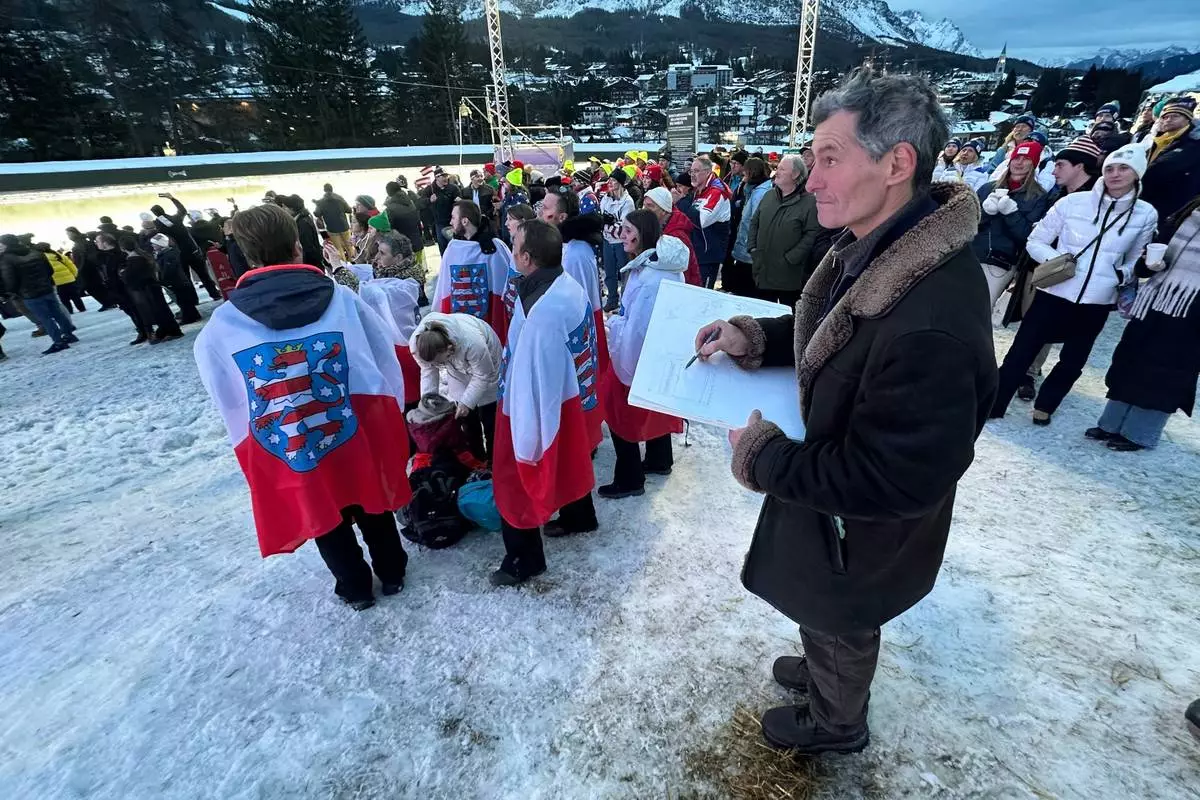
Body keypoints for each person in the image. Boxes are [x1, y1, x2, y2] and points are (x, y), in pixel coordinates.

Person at [692, 68, 997, 755]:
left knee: (841, 617)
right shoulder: (876, 247)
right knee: (821, 607)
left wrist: (767, 458)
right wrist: (758, 337)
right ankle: (827, 663)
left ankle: (836, 722)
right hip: (830, 503)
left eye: (830, 157)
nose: (813, 175)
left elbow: (895, 479)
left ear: (897, 163)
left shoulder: (933, 318)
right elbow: (838, 334)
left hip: (858, 528)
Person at [194, 203, 412, 612]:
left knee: (322, 506)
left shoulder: (224, 324)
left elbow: (225, 391)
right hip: (351, 425)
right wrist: (392, 411)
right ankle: (393, 569)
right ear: (298, 245)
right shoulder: (341, 300)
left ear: (246, 253)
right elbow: (383, 356)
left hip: (294, 434)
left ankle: (354, 585)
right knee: (369, 493)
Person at [990, 143, 1158, 425]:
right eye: (1111, 168)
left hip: (1098, 299)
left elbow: (1134, 259)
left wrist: (1122, 275)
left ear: (1137, 173)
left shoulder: (1145, 214)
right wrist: (1059, 261)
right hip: (1055, 291)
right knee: (1022, 350)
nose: (1116, 174)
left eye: (1124, 168)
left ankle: (1046, 405)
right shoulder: (1071, 203)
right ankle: (996, 403)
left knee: (1073, 360)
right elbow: (1036, 240)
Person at [490, 219, 601, 586]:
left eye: (515, 244)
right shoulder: (566, 284)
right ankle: (579, 515)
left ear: (525, 259)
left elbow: (529, 388)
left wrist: (524, 449)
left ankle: (524, 559)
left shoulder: (543, 315)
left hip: (537, 406)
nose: (511, 245)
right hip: (571, 401)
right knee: (572, 456)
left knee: (512, 480)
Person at [1086, 195, 1200, 451]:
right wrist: (1149, 264)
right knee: (1130, 360)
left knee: (1167, 373)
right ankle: (1111, 423)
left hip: (1191, 310)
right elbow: (1151, 259)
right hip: (1155, 300)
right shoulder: (1188, 210)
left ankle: (1139, 433)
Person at [1005, 136, 1104, 400]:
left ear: (1079, 166)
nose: (1053, 170)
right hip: (1042, 267)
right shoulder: (1059, 194)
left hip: (1071, 279)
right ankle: (1016, 372)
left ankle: (1029, 372)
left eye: (1060, 164)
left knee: (1048, 326)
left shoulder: (1097, 200)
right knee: (1031, 321)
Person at [599, 211, 687, 498]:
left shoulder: (650, 278)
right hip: (660, 353)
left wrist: (614, 327)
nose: (622, 235)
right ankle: (660, 459)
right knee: (656, 405)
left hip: (639, 355)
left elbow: (637, 330)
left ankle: (630, 478)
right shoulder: (659, 267)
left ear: (643, 234)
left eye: (628, 230)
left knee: (618, 411)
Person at [409, 313, 502, 462]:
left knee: (489, 417)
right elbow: (428, 370)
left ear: (449, 349)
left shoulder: (473, 343)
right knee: (466, 418)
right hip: (456, 368)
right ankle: (477, 459)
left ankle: (493, 460)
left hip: (487, 363)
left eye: (440, 362)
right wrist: (428, 404)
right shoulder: (418, 346)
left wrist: (467, 402)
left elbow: (483, 375)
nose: (438, 366)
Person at [973, 139, 1050, 305]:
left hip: (1001, 262)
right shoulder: (987, 188)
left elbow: (1027, 237)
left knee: (981, 308)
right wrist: (985, 213)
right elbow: (968, 225)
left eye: (1026, 159)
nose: (1019, 163)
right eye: (1016, 158)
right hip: (972, 256)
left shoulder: (1039, 196)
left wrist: (1011, 213)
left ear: (1034, 164)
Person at [358, 232, 424, 411]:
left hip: (404, 351)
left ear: (398, 258)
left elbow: (363, 292)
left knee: (409, 401)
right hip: (399, 348)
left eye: (383, 253)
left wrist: (338, 269)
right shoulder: (390, 274)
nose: (377, 257)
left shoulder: (404, 284)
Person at [748, 154, 825, 307]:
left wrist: (791, 258)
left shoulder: (810, 202)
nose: (777, 172)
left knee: (787, 318)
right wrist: (752, 247)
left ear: (796, 175)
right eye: (777, 168)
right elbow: (755, 221)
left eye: (782, 169)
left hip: (789, 275)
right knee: (761, 314)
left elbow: (812, 233)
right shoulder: (769, 195)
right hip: (763, 269)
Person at [431, 201, 511, 341]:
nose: (450, 221)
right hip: (460, 324)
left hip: (489, 325)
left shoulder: (494, 248)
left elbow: (505, 285)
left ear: (465, 221)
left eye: (453, 217)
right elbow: (445, 285)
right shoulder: (452, 249)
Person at [0, 234, 78, 354]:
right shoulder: (34, 251)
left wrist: (10, 292)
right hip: (46, 288)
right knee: (57, 312)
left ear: (5, 244)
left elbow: (10, 279)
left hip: (28, 293)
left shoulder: (6, 258)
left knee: (45, 318)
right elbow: (49, 270)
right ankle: (69, 335)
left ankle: (58, 342)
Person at [1140, 97, 1200, 224]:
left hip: (1171, 208)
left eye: (1175, 116)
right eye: (1165, 117)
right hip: (1145, 201)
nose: (1168, 120)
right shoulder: (1156, 140)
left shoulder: (1194, 145)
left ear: (1188, 119)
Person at [152, 193, 221, 300]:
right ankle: (214, 294)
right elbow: (182, 210)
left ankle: (193, 299)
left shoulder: (158, 224)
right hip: (192, 250)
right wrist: (172, 199)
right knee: (204, 275)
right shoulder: (176, 219)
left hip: (178, 254)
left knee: (186, 278)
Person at [117, 235, 183, 344]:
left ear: (123, 248)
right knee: (160, 310)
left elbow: (129, 277)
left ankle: (173, 331)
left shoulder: (135, 259)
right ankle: (166, 330)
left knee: (159, 311)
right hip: (152, 287)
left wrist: (123, 273)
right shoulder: (142, 255)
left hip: (146, 289)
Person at [726, 158, 773, 297]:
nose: (742, 174)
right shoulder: (752, 190)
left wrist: (750, 247)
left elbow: (756, 222)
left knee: (746, 292)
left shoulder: (760, 193)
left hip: (750, 253)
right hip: (745, 250)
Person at [684, 155, 733, 289]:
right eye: (691, 171)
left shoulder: (716, 192)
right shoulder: (699, 189)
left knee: (702, 297)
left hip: (707, 256)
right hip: (696, 252)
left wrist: (682, 201)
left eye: (696, 171)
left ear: (707, 172)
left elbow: (701, 221)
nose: (692, 175)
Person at [97, 232, 155, 344]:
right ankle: (142, 330)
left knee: (136, 310)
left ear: (105, 243)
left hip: (127, 289)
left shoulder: (119, 255)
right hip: (117, 290)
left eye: (98, 241)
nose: (96, 244)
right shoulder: (105, 256)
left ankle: (146, 331)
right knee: (131, 311)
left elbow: (125, 272)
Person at [642, 186, 701, 286]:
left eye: (650, 206)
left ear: (664, 211)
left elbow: (682, 274)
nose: (644, 210)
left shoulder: (677, 236)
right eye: (644, 205)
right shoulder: (657, 226)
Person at [600, 170, 636, 311]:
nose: (610, 183)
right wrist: (610, 223)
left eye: (613, 181)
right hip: (607, 241)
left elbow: (623, 230)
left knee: (624, 273)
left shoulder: (628, 202)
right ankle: (612, 300)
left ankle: (625, 303)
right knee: (609, 272)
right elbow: (601, 221)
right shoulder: (605, 198)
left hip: (622, 243)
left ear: (620, 184)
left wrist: (608, 224)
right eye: (609, 180)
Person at [149, 233, 202, 324]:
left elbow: (169, 269)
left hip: (178, 281)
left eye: (154, 244)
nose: (152, 246)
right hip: (178, 280)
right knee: (183, 300)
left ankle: (189, 317)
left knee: (183, 301)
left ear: (160, 244)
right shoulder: (165, 253)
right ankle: (194, 315)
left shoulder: (169, 254)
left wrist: (163, 279)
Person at [67, 227, 114, 310]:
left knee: (93, 287)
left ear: (74, 233)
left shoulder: (81, 243)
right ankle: (108, 302)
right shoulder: (81, 242)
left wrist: (80, 268)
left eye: (68, 234)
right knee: (95, 286)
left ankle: (108, 302)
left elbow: (84, 257)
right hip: (88, 267)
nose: (68, 236)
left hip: (87, 268)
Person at [37, 243, 86, 313]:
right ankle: (82, 309)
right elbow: (70, 264)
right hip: (69, 279)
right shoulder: (56, 254)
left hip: (57, 282)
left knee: (64, 298)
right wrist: (74, 275)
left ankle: (69, 311)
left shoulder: (40, 258)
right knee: (75, 296)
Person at [420, 167, 459, 254]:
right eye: (443, 176)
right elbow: (420, 203)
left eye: (446, 176)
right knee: (443, 246)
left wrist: (458, 202)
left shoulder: (453, 188)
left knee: (455, 245)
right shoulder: (430, 189)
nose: (446, 178)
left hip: (453, 222)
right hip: (439, 223)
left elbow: (460, 201)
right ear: (437, 177)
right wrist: (429, 200)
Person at [280, 195, 324, 270]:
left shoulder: (302, 223)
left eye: (285, 207)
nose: (283, 210)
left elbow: (307, 247)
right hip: (313, 261)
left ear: (292, 209)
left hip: (311, 264)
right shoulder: (303, 218)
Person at [383, 181, 424, 260]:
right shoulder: (411, 203)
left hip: (403, 248)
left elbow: (389, 230)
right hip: (417, 243)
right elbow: (418, 222)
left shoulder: (390, 209)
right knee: (418, 269)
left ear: (388, 193)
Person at [314, 183, 353, 259]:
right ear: (332, 189)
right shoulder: (340, 198)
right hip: (344, 226)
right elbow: (349, 210)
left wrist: (317, 204)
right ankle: (353, 262)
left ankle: (343, 265)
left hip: (332, 229)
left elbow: (317, 214)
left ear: (324, 190)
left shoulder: (321, 202)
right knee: (349, 246)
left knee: (339, 249)